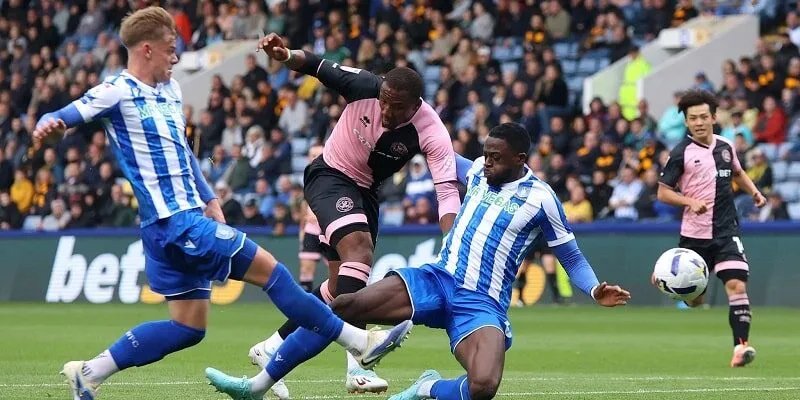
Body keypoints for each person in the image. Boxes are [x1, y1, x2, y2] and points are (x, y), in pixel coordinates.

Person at [32, 8, 411, 400]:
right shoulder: (116, 91)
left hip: (178, 222)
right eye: (170, 49)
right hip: (175, 222)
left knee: (187, 328)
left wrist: (210, 197)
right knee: (274, 273)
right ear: (146, 49)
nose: (175, 57)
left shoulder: (171, 90)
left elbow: (182, 152)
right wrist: (49, 129)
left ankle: (90, 372)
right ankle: (358, 342)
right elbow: (57, 116)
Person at [206, 123, 631, 400]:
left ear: (521, 160)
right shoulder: (478, 171)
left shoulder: (542, 199)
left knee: (483, 386)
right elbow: (436, 150)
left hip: (481, 303)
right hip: (436, 279)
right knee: (344, 306)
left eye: (496, 157)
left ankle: (427, 389)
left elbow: (570, 255)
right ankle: (258, 385)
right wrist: (404, 128)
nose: (487, 162)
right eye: (486, 154)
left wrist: (594, 288)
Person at [246, 33, 462, 395]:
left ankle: (270, 347)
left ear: (416, 105)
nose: (386, 111)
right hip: (329, 175)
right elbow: (315, 65)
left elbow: (446, 191)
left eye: (396, 107)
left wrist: (452, 240)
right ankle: (358, 362)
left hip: (365, 193)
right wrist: (284, 54)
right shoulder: (363, 85)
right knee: (359, 252)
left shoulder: (431, 130)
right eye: (383, 102)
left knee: (339, 289)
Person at [656, 89, 766, 367]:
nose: (699, 122)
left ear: (714, 118)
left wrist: (754, 191)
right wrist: (689, 201)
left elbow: (737, 172)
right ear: (686, 122)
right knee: (696, 301)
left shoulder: (726, 146)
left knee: (736, 284)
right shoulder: (680, 153)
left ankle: (740, 348)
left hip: (727, 232)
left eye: (703, 117)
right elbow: (663, 192)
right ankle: (665, 277)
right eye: (693, 118)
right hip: (694, 237)